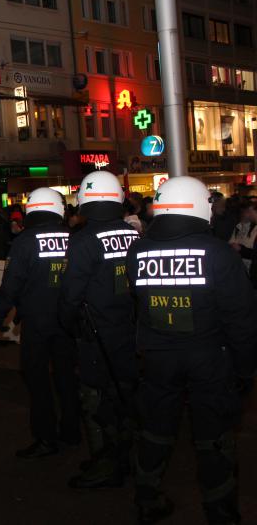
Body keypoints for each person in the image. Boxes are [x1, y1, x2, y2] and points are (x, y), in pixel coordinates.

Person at [126, 176, 256, 524]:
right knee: (213, 436)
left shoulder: (137, 252)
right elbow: (242, 319)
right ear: (201, 207)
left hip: (157, 358)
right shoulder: (216, 253)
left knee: (155, 429)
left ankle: (147, 496)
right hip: (209, 359)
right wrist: (245, 371)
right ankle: (220, 509)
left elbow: (136, 304)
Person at [59, 170, 141, 489]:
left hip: (95, 334)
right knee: (124, 395)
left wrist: (69, 326)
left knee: (95, 399)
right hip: (130, 331)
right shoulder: (134, 234)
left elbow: (69, 296)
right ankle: (126, 457)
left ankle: (106, 465)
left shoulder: (83, 241)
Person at [0, 188, 80, 458]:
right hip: (68, 321)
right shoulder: (73, 237)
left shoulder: (25, 241)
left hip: (38, 322)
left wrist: (0, 312)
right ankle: (72, 430)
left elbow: (12, 282)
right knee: (67, 377)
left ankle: (45, 438)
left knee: (37, 379)